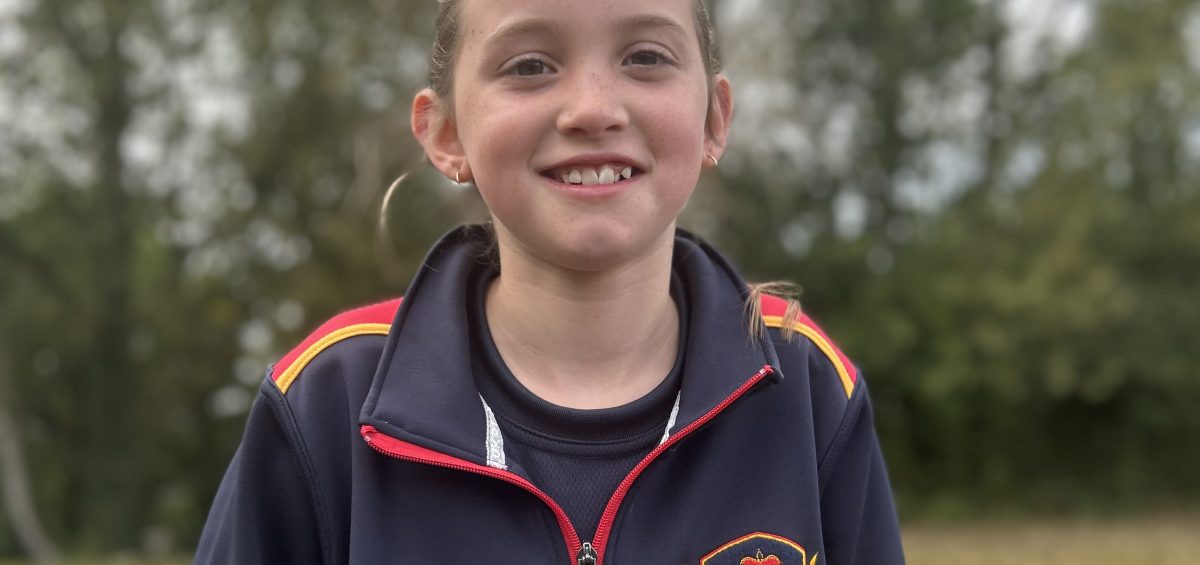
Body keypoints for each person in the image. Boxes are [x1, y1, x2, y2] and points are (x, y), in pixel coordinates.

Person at [195, 0, 905, 563]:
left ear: (715, 118)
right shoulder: (329, 399)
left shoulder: (808, 389)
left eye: (646, 57)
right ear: (445, 132)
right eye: (530, 65)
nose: (593, 109)